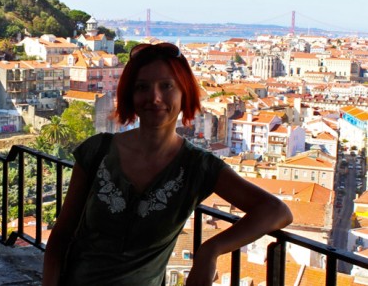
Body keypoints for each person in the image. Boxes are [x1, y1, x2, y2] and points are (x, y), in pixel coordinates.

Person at [43, 42, 293, 286]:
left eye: (166, 86)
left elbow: (277, 211)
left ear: (184, 93)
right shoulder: (97, 151)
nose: (154, 97)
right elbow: (62, 236)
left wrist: (210, 250)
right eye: (142, 87)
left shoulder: (197, 166)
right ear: (130, 95)